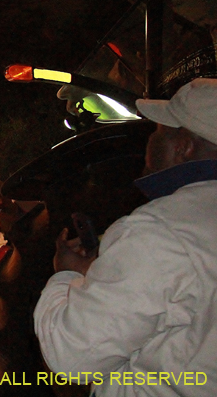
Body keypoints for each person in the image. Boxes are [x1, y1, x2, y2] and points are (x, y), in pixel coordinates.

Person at [34, 78, 217, 397]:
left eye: (158, 132)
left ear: (183, 147)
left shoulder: (158, 230)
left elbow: (73, 356)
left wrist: (67, 275)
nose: (149, 142)